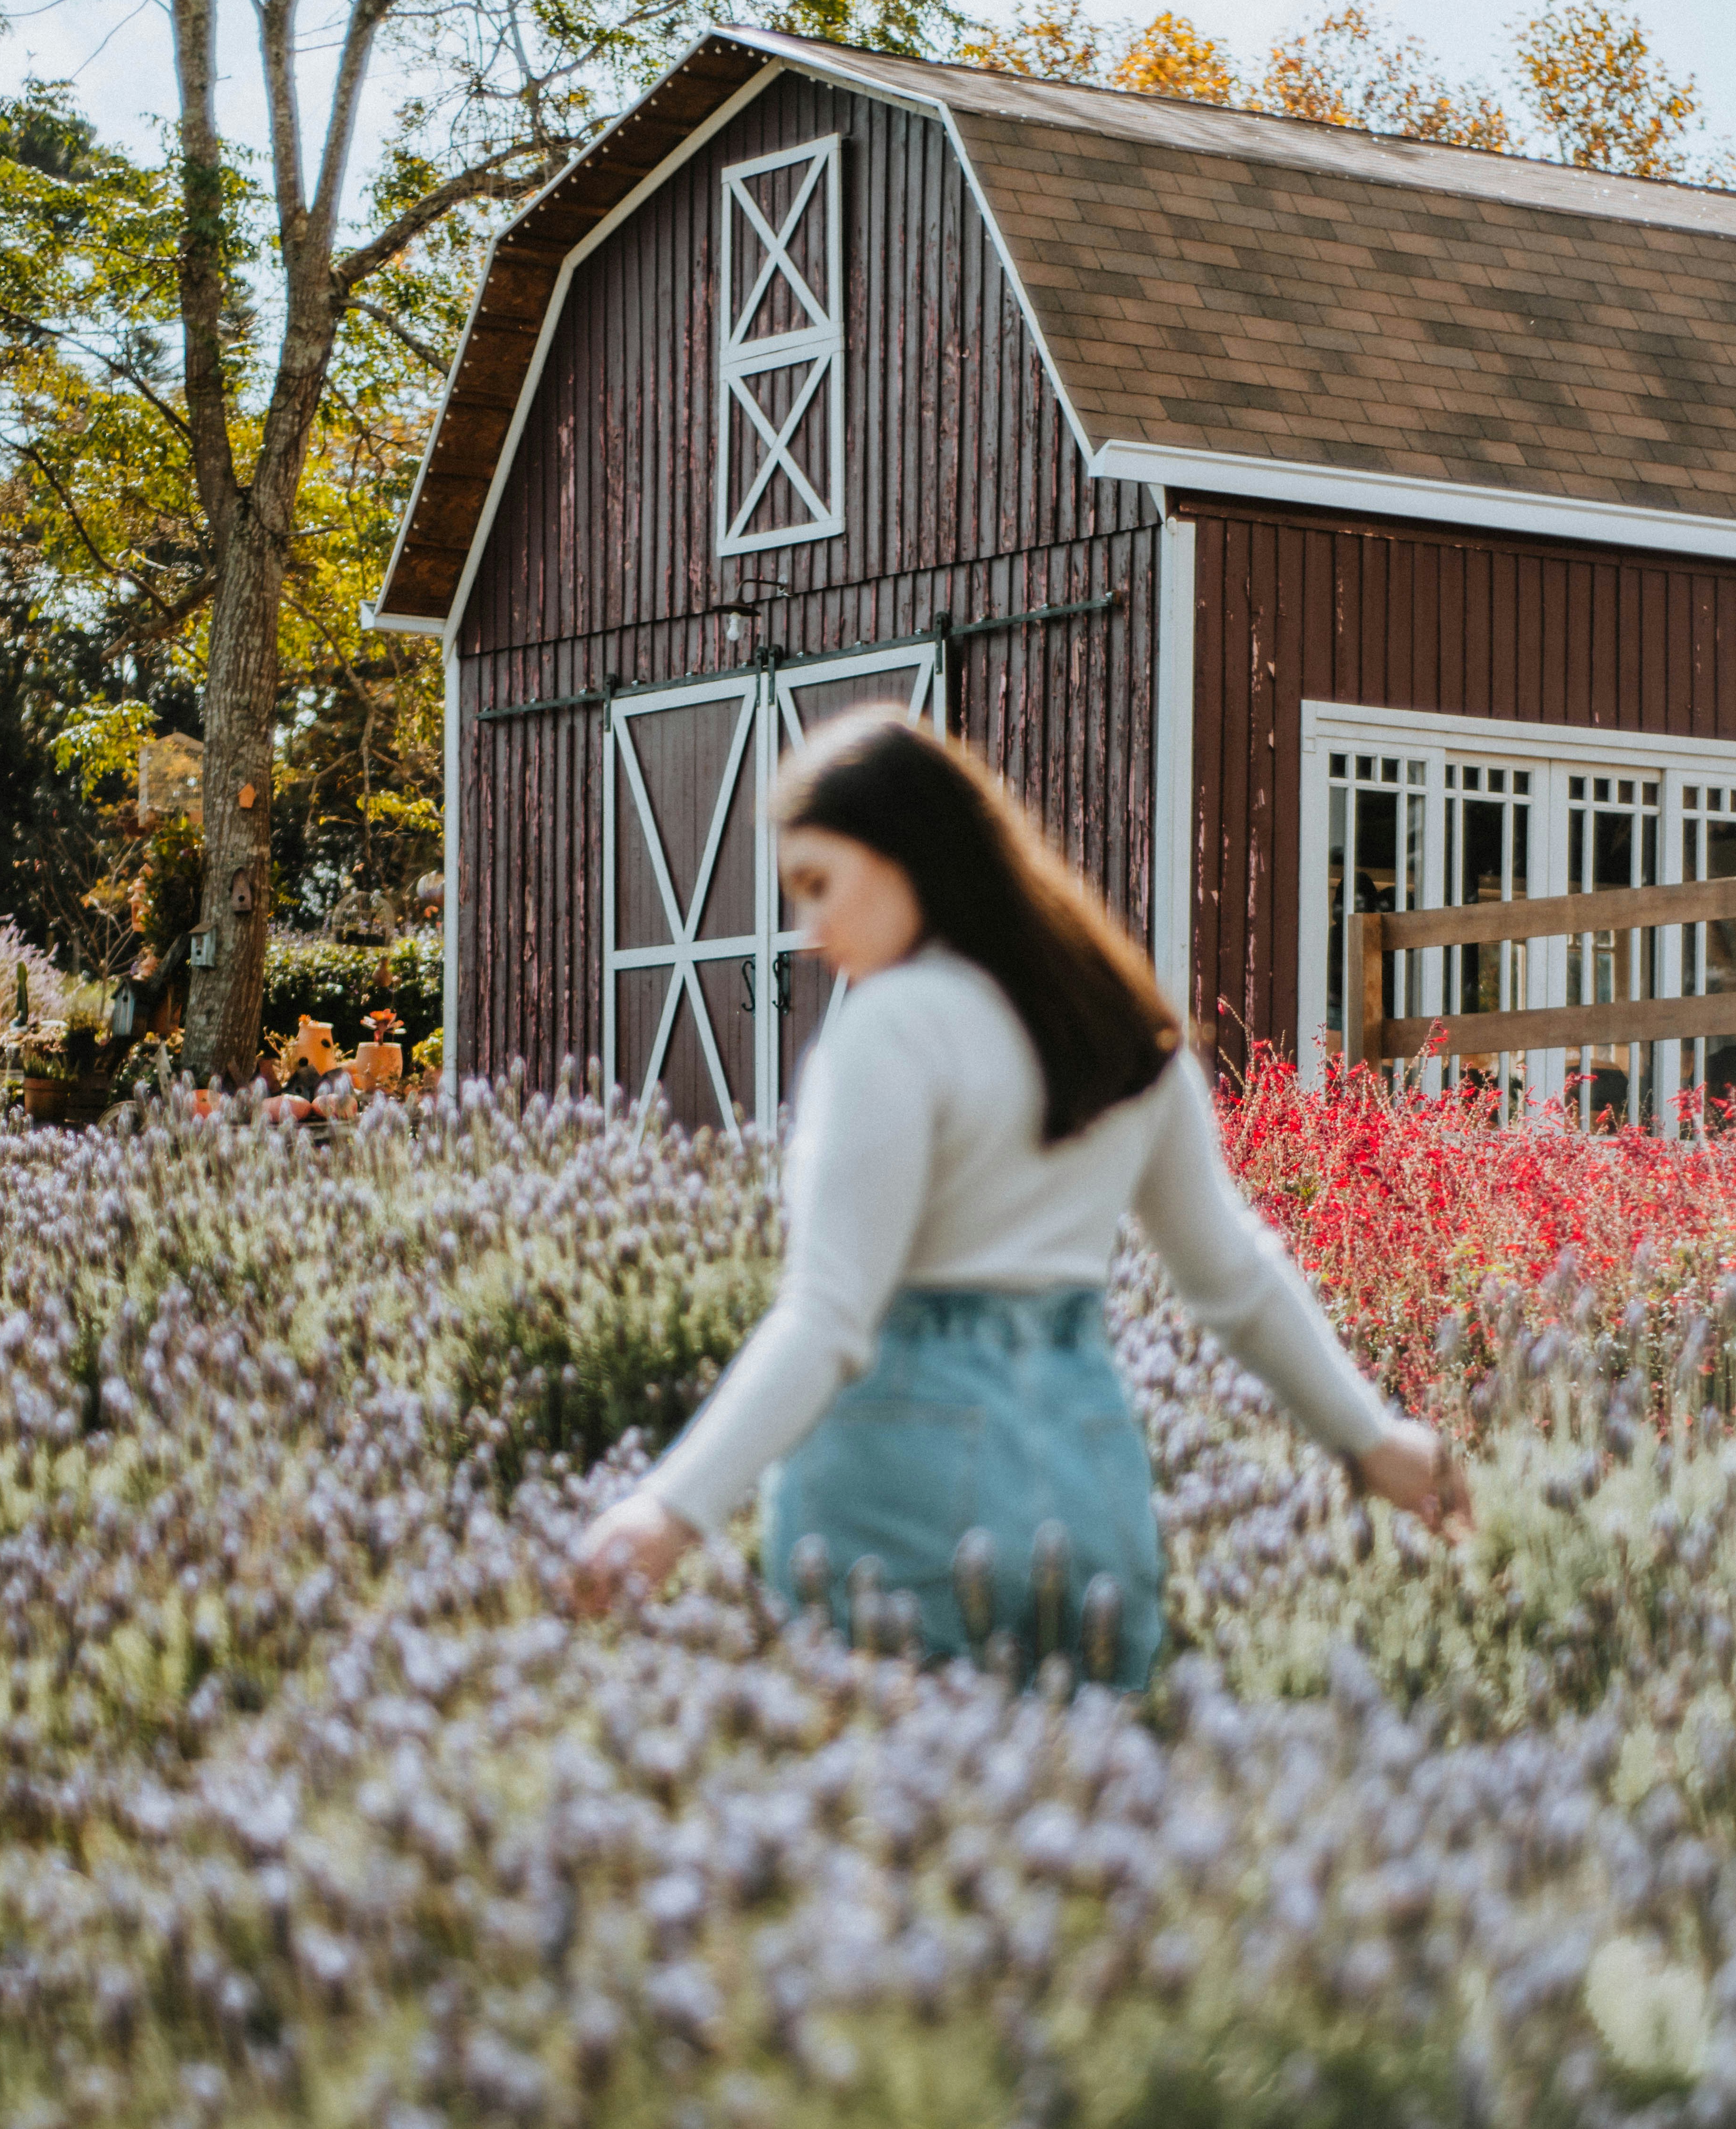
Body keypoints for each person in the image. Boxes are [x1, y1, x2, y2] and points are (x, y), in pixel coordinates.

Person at [575, 708, 1469, 1682]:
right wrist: (1372, 1437)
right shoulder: (1121, 1029)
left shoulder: (893, 1026)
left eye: (820, 884)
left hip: (897, 1480)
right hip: (1085, 1477)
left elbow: (831, 1316)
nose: (812, 930)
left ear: (909, 854)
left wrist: (669, 1509)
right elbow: (1232, 1276)